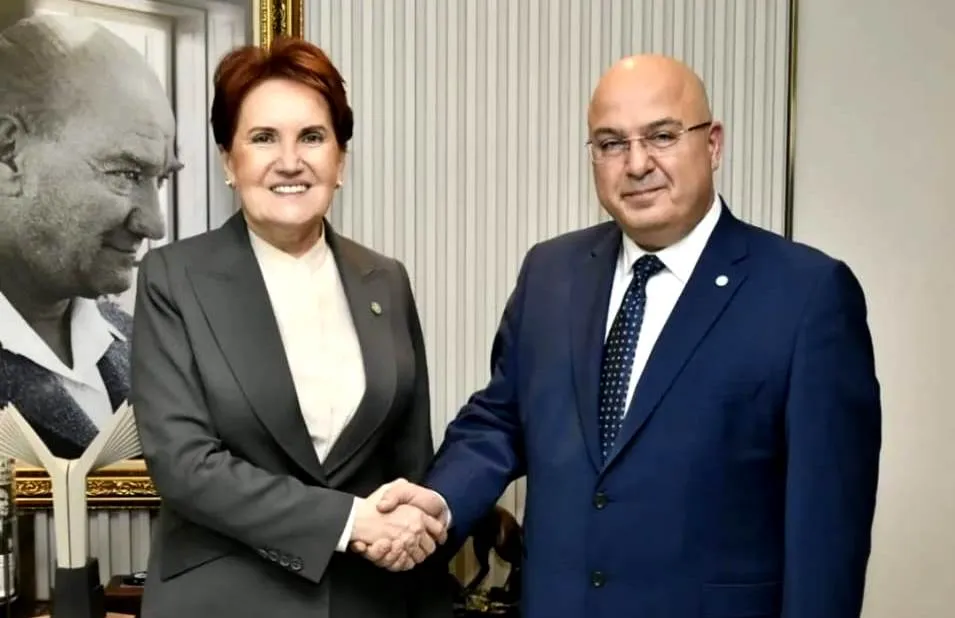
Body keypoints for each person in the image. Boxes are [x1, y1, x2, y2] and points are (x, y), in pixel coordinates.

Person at [362, 54, 882, 618]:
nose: (636, 164)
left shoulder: (807, 295)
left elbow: (826, 534)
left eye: (662, 136)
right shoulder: (551, 272)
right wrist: (437, 504)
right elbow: (501, 419)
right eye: (611, 143)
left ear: (713, 144)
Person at [129, 38, 451, 618]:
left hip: (367, 601)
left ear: (340, 160)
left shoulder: (385, 280)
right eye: (262, 138)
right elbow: (184, 466)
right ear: (228, 161)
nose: (289, 161)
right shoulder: (173, 278)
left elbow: (410, 464)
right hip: (224, 601)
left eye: (312, 137)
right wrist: (348, 521)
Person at [0, 15, 177, 458]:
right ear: (9, 154)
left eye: (160, 180)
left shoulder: (148, 352)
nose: (155, 225)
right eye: (126, 173)